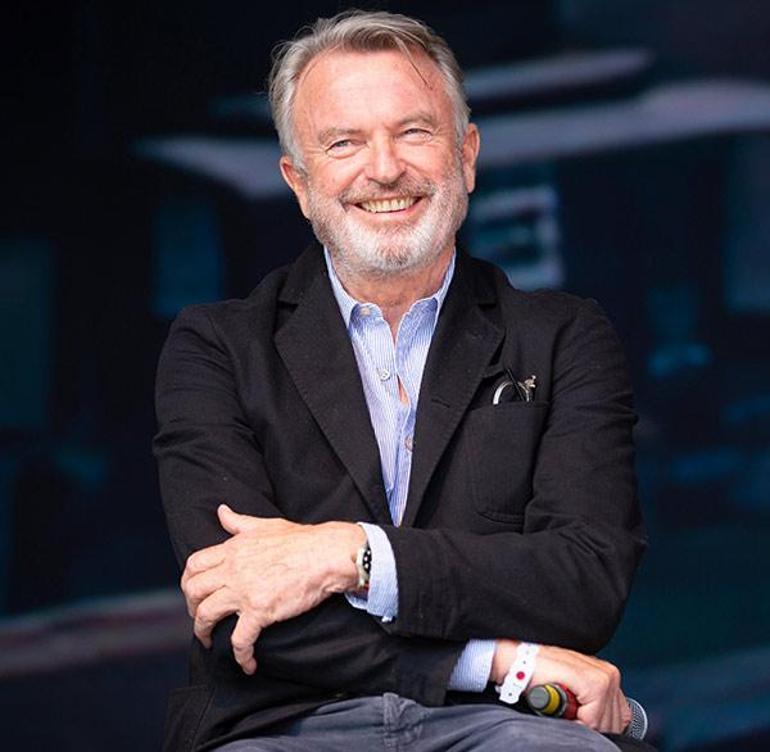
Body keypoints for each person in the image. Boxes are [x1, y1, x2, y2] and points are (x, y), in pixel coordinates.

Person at [154, 10, 650, 752]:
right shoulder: (216, 349)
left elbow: (583, 580)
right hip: (281, 725)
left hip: (506, 728)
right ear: (299, 182)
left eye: (413, 132)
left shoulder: (563, 337)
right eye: (344, 142)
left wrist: (350, 555)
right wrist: (498, 661)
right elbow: (238, 611)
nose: (384, 168)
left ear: (467, 155)